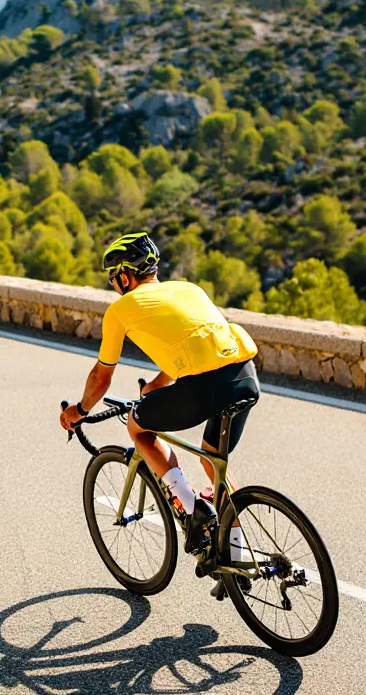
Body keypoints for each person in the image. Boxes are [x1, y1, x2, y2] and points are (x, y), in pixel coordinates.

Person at [59, 231, 260, 556]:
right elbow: (197, 338)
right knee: (214, 460)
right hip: (245, 378)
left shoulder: (122, 309)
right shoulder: (188, 289)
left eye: (113, 278)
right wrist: (157, 384)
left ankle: (191, 505)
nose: (114, 285)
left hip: (204, 385)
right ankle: (237, 556)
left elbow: (100, 379)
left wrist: (78, 412)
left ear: (124, 275)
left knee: (139, 427)